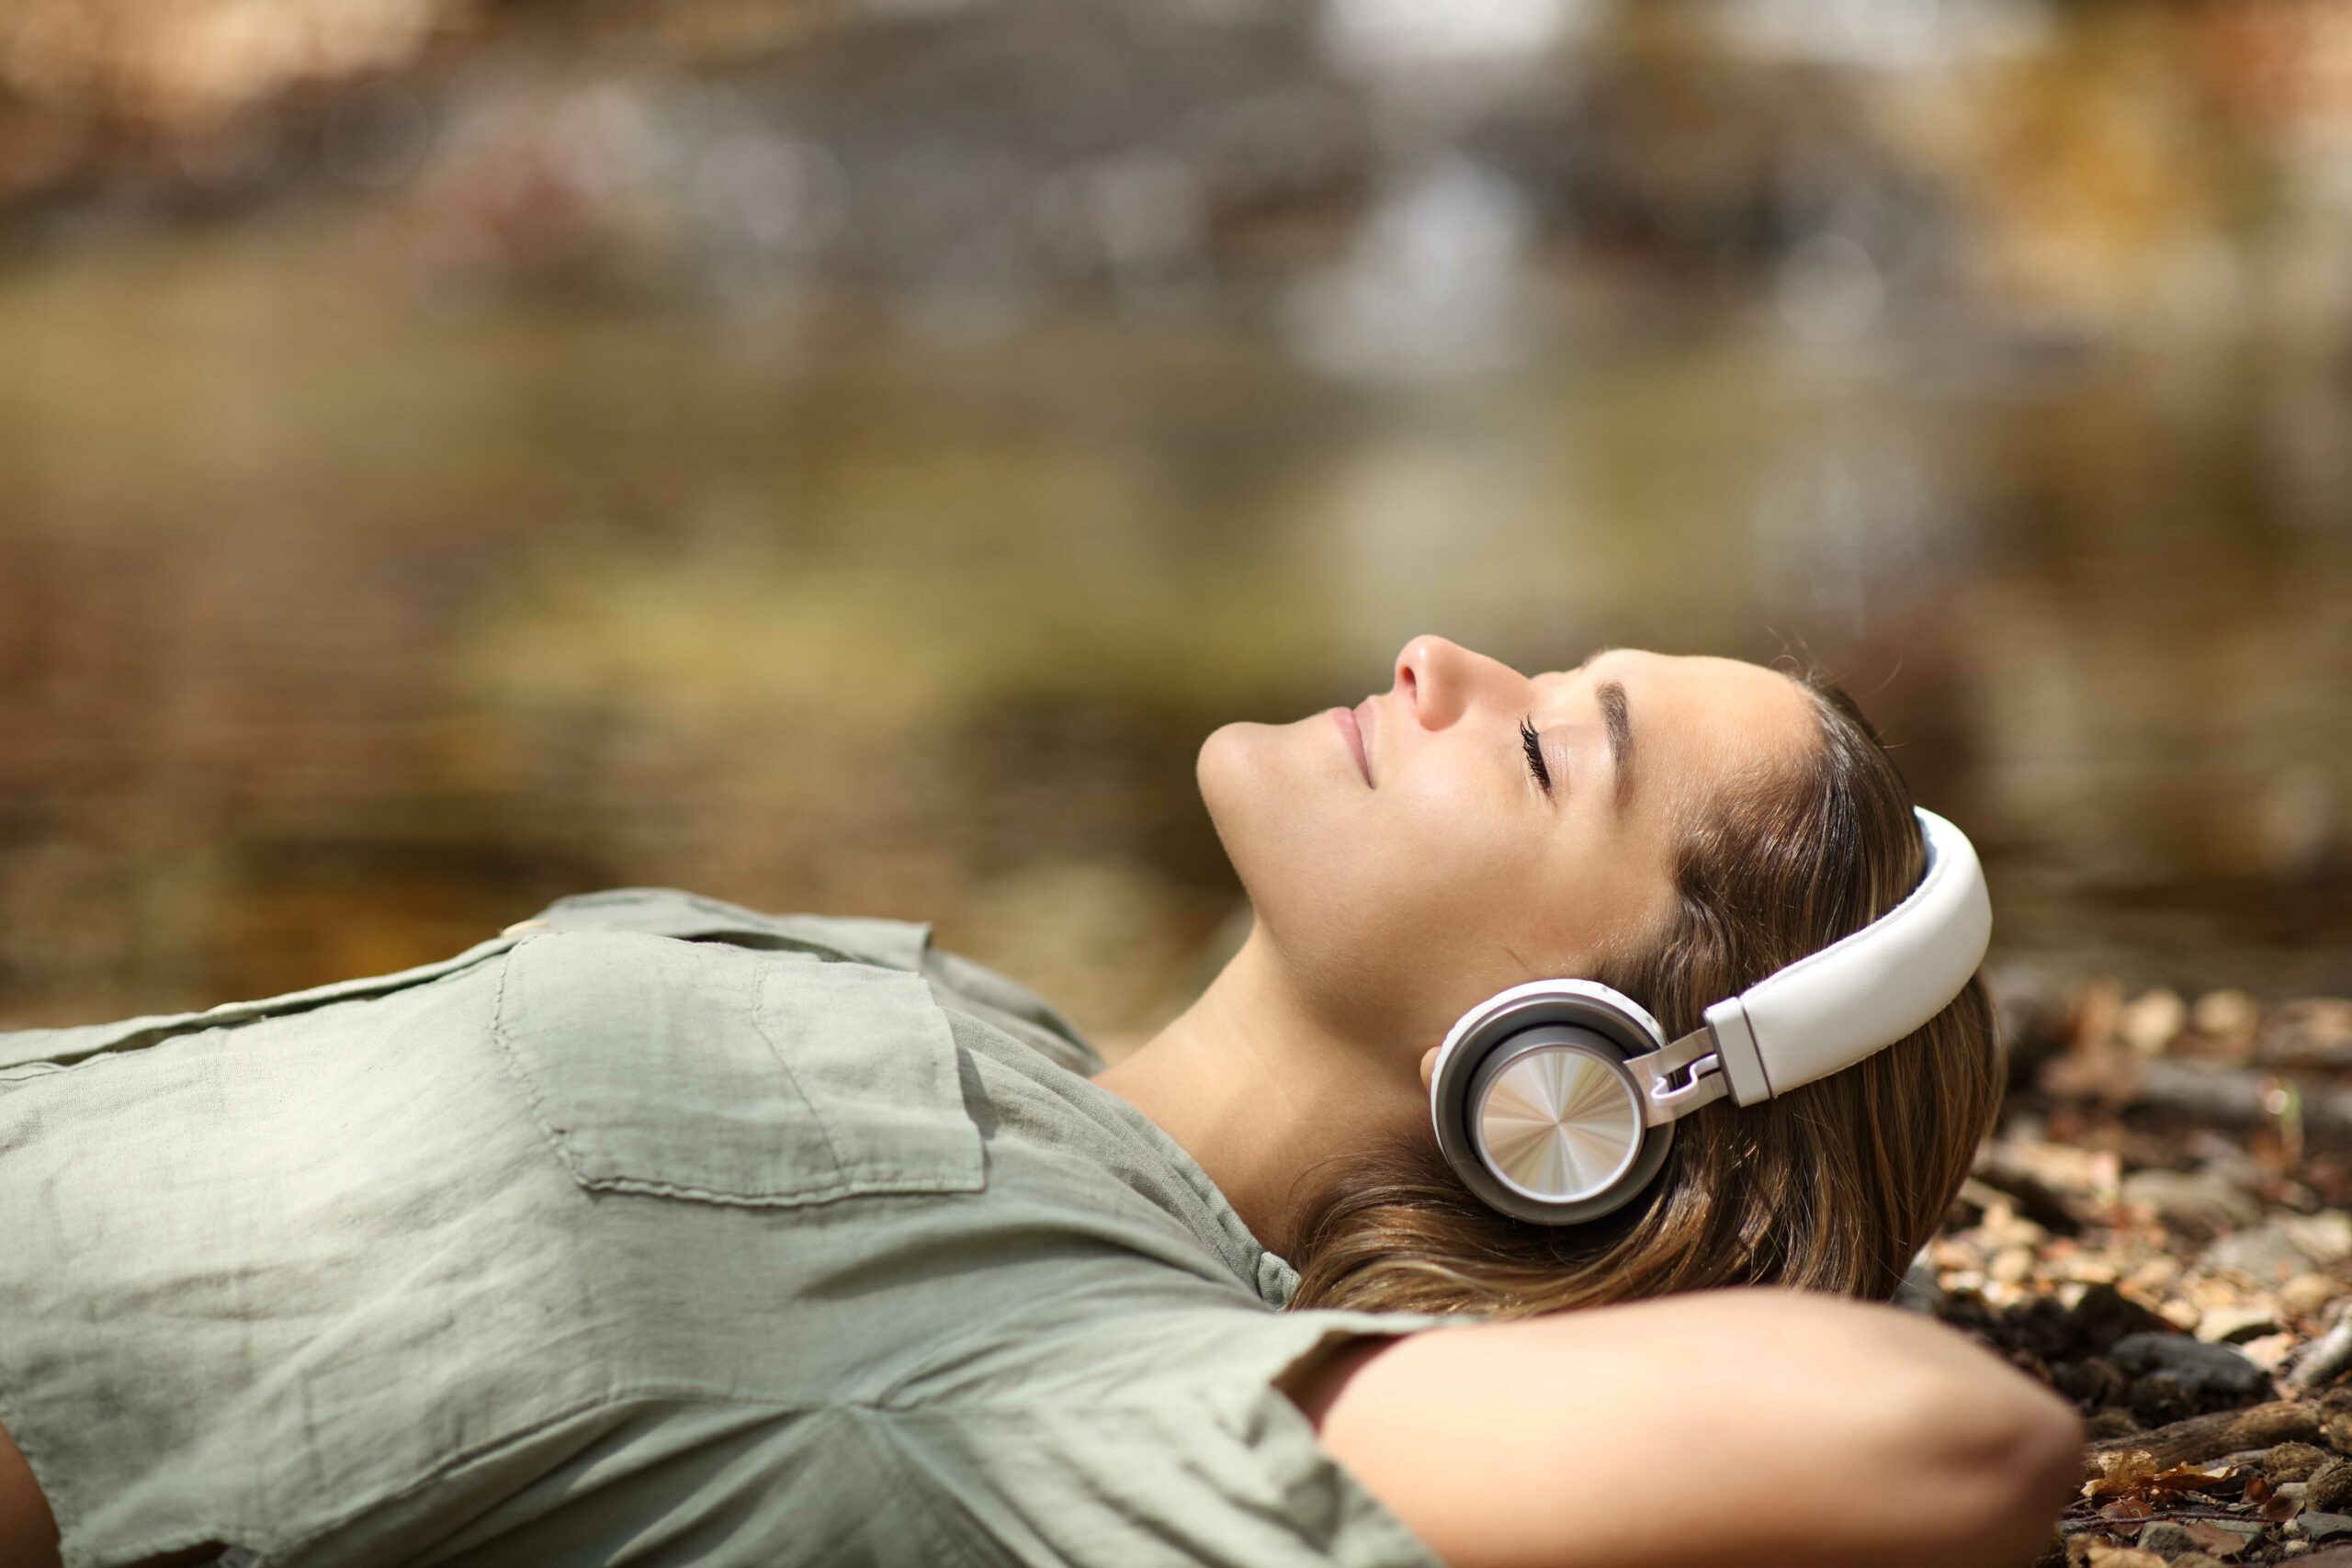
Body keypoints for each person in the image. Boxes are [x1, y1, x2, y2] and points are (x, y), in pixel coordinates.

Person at [0, 637, 2082, 1568]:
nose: (1445, 657)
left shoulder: (1076, 1360)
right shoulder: (967, 1016)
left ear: (1569, 1092)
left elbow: (1942, 1439)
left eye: (1549, 753)